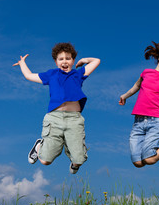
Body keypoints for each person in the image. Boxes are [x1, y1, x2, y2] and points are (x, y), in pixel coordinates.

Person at [13, 42, 100, 174]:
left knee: (79, 160)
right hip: (54, 118)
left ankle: (73, 157)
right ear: (56, 62)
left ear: (73, 60)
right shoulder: (51, 74)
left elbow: (96, 61)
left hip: (74, 120)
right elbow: (29, 76)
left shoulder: (78, 74)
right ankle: (39, 146)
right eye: (61, 59)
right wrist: (22, 63)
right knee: (45, 161)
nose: (64, 61)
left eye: (68, 58)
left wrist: (83, 60)